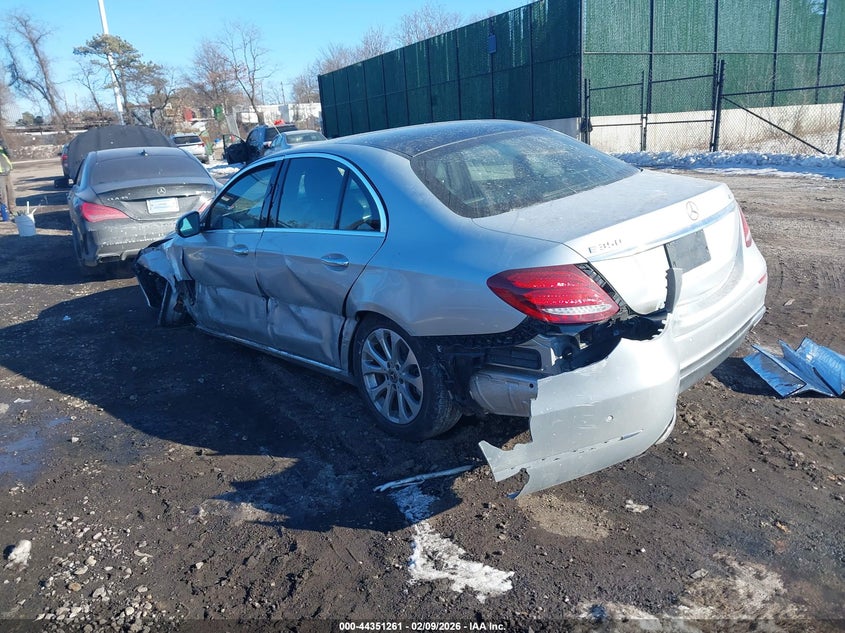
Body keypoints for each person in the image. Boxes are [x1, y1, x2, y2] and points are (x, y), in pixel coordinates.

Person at [0, 143, 14, 219]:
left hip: (7, 172)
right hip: (0, 174)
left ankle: (12, 209)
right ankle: (5, 212)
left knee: (11, 192)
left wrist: (5, 147)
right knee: (2, 195)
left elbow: (10, 155)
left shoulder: (1, 147)